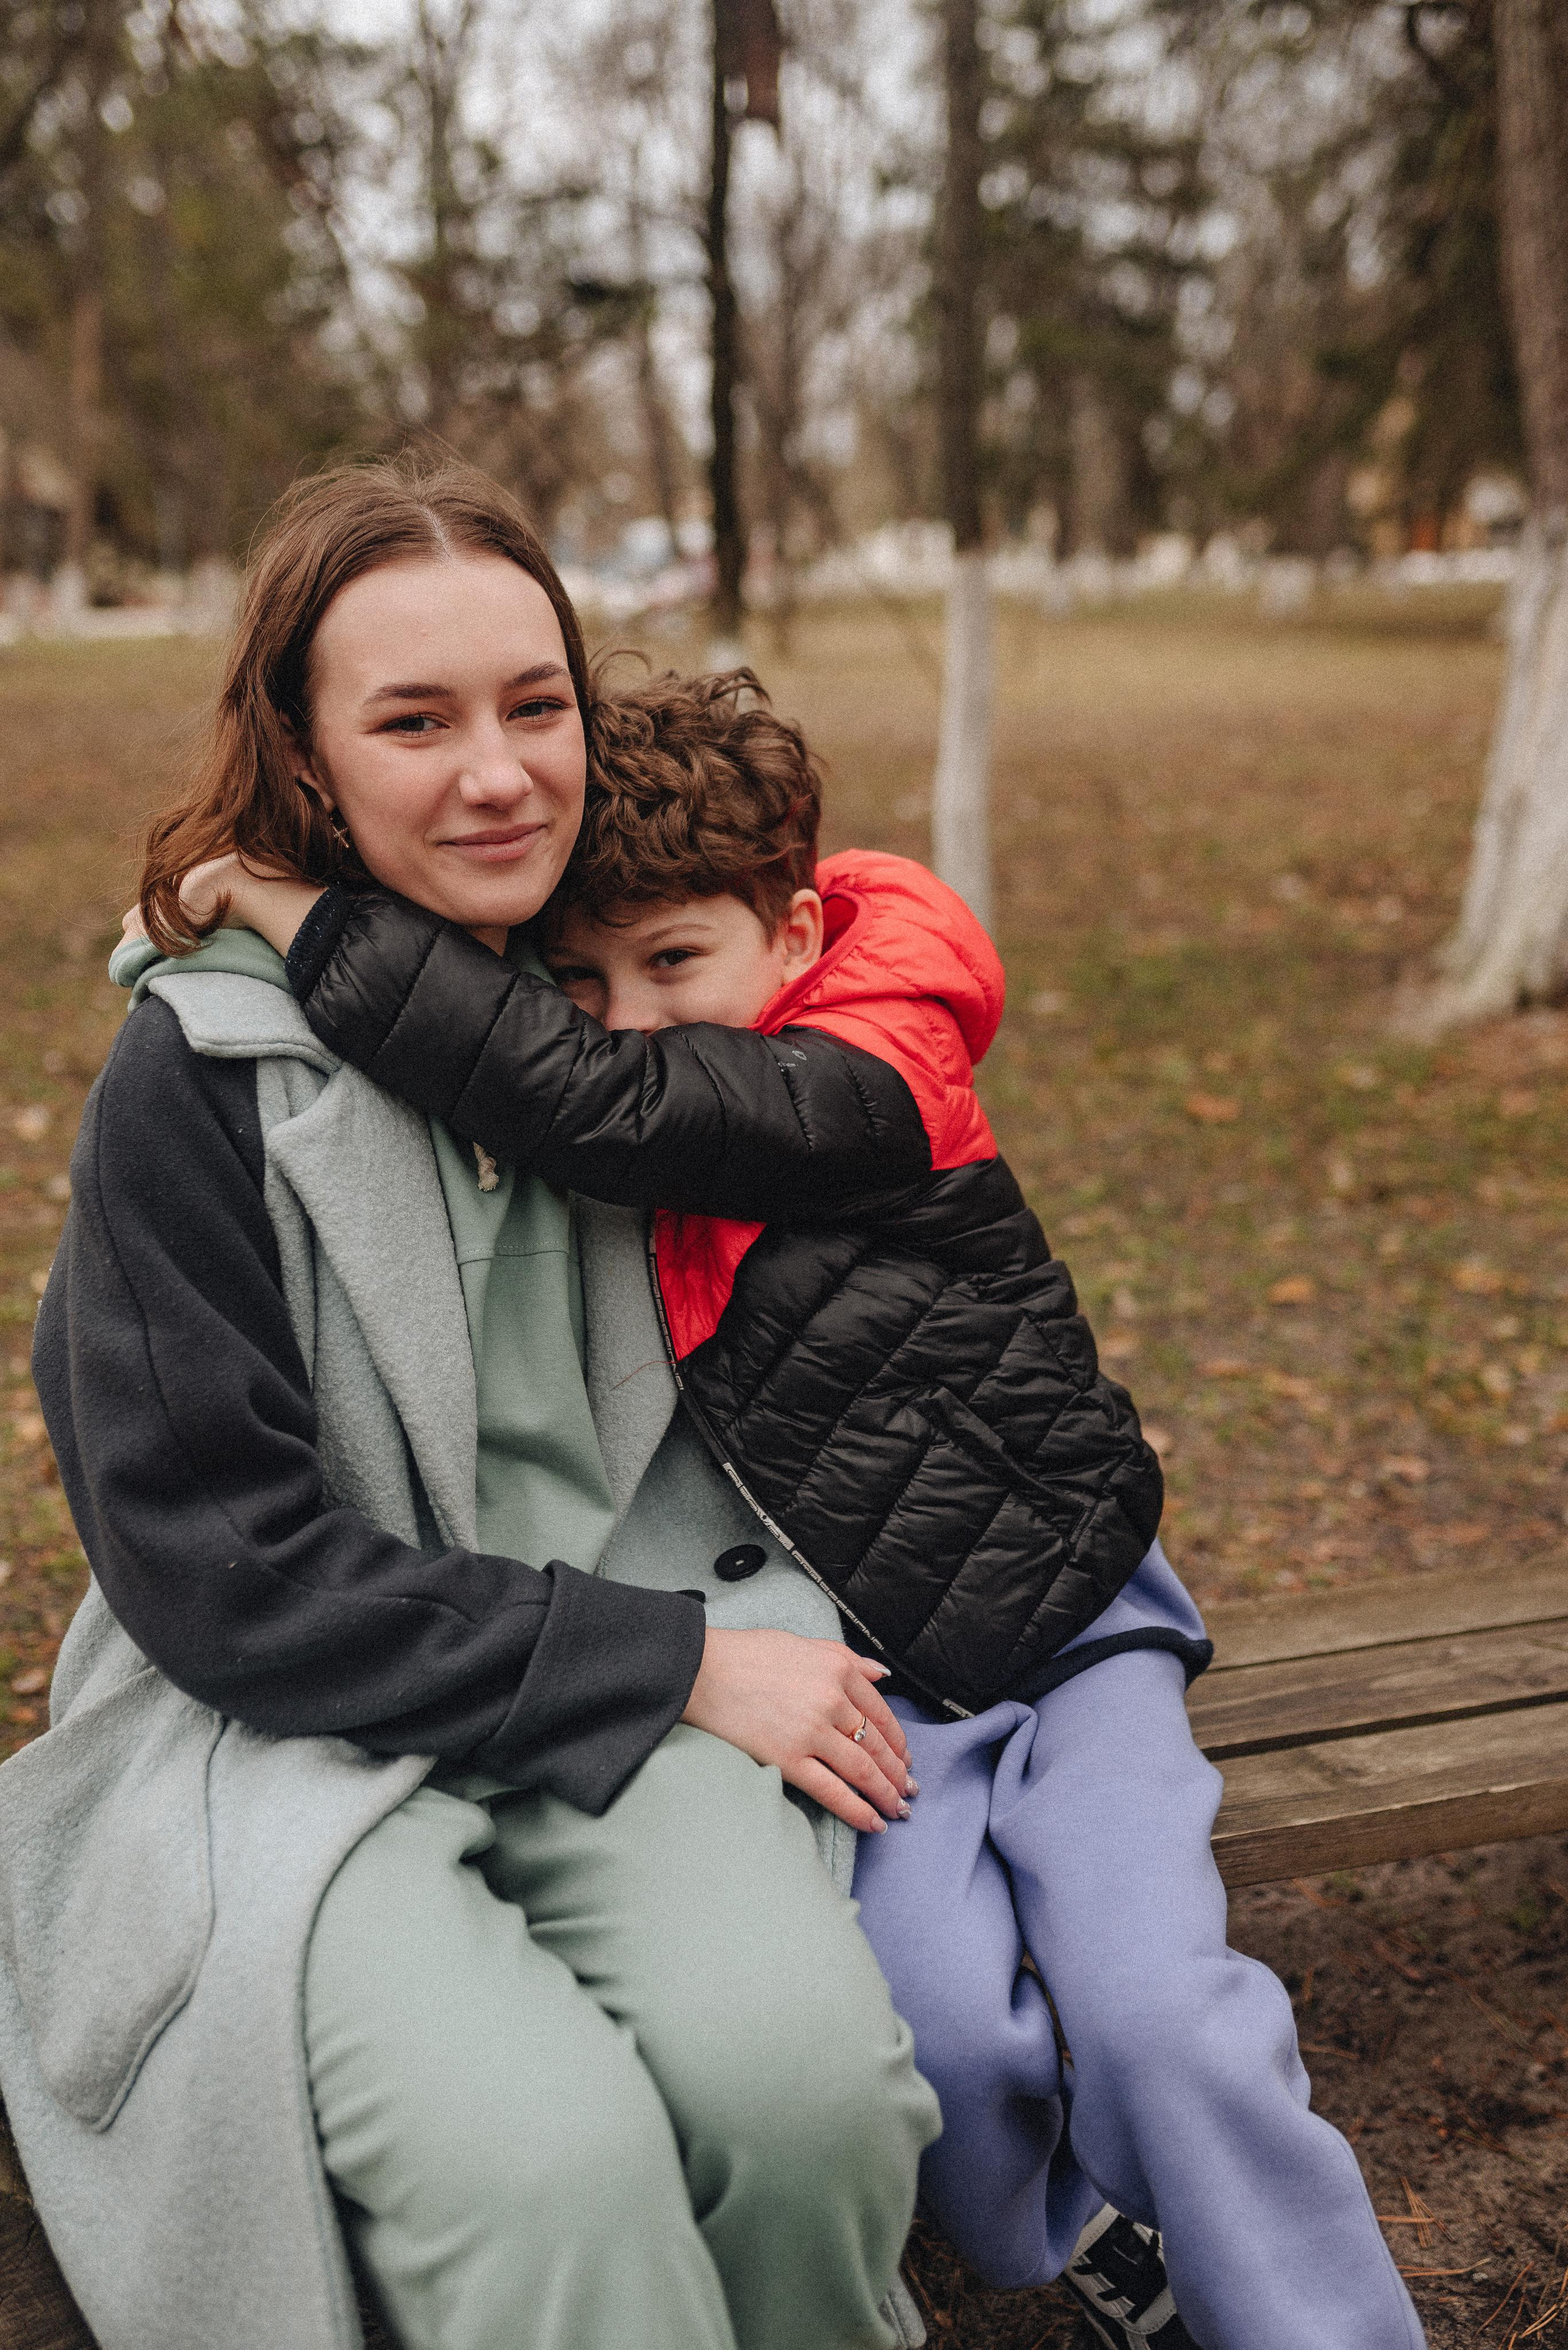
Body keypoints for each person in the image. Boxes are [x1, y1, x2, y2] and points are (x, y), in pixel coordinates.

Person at [194, 661, 1429, 2350]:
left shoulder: (868, 1067)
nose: (627, 1017)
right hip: (870, 1664)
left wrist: (294, 913)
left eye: (675, 963)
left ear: (790, 934)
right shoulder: (687, 1072)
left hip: (1060, 1619)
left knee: (1154, 2011)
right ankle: (1089, 2233)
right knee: (931, 2030)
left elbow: (586, 1100)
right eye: (580, 981)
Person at [0, 454, 941, 2350]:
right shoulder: (200, 1083)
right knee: (551, 2175)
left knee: (810, 2103)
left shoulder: (621, 1016)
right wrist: (673, 1665)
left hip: (641, 1682)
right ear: (304, 749)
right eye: (414, 720)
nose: (500, 772)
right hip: (293, 1730)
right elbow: (223, 1578)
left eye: (537, 706)